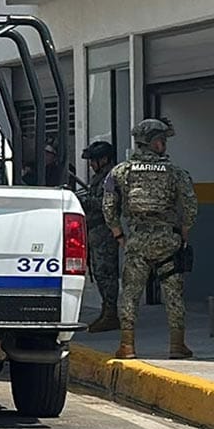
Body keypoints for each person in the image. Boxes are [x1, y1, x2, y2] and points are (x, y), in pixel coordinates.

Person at [102, 119, 198, 359]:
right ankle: (177, 345)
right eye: (161, 140)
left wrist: (118, 234)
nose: (163, 144)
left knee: (131, 293)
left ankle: (127, 346)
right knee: (174, 293)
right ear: (152, 142)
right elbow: (190, 205)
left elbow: (108, 205)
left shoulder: (121, 171)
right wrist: (184, 231)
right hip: (168, 241)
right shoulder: (175, 172)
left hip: (136, 241)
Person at [79, 141, 120, 333]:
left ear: (103, 159)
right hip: (95, 230)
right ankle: (106, 312)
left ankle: (110, 314)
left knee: (106, 274)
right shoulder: (100, 177)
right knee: (99, 273)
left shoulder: (111, 177)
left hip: (104, 231)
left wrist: (83, 200)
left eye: (93, 160)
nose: (90, 164)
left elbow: (106, 203)